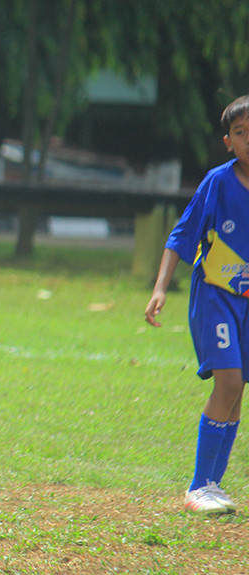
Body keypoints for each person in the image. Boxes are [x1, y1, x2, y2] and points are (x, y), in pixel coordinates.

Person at [145, 94, 249, 515]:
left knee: (239, 387)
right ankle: (198, 486)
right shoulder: (218, 183)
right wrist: (159, 289)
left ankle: (214, 485)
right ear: (228, 142)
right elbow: (180, 237)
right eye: (241, 133)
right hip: (215, 297)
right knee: (227, 382)